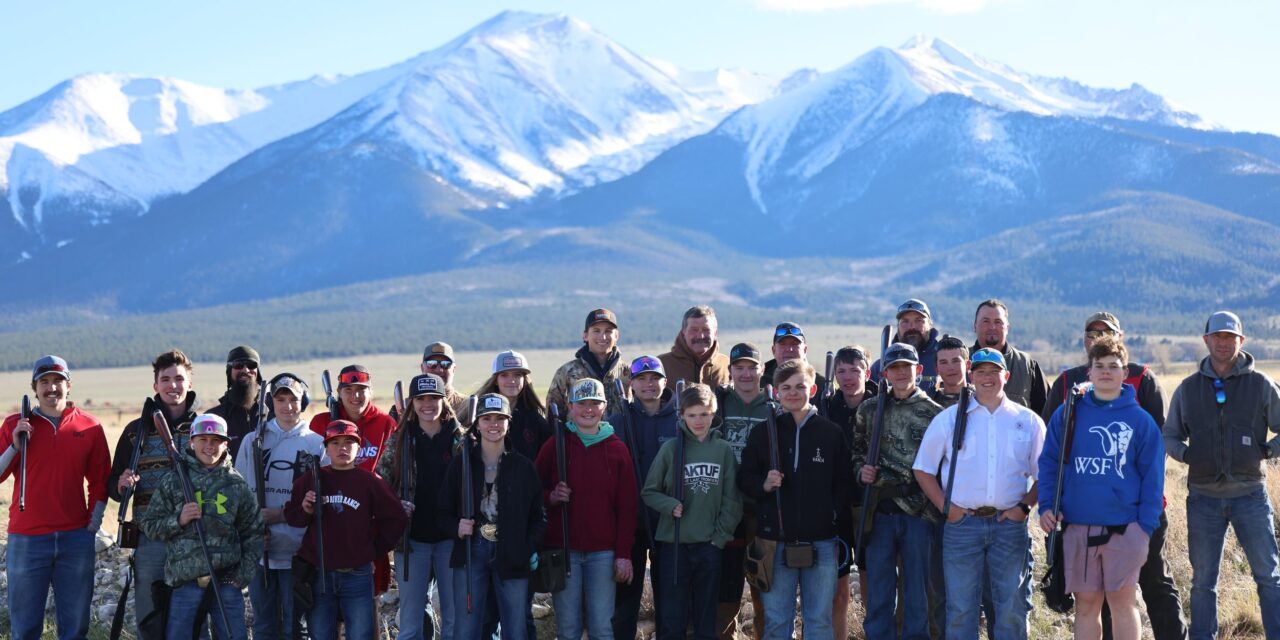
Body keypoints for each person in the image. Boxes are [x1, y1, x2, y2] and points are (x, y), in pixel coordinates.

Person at [1041, 312, 1185, 640]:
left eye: (1113, 366)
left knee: (1135, 596)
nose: (1106, 371)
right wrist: (1048, 505)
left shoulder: (1141, 407)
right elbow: (1051, 459)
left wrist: (1144, 525)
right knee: (1088, 605)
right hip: (1079, 523)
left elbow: (1154, 470)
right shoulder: (1069, 404)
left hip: (1130, 522)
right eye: (1099, 366)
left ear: (1125, 371)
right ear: (1089, 369)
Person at [912, 348, 1045, 640]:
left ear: (1006, 376)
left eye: (994, 372)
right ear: (971, 375)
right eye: (981, 372)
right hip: (962, 527)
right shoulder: (949, 419)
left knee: (1011, 608)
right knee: (960, 610)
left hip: (1009, 527)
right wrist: (947, 509)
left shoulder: (1028, 421)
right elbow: (922, 469)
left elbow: (1045, 475)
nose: (987, 378)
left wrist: (1023, 508)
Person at [1163, 311, 1280, 640]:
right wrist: (1186, 455)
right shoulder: (1188, 389)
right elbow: (1170, 434)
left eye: (1230, 337)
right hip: (1203, 499)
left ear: (1241, 341)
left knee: (1269, 576)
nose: (1223, 342)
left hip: (1250, 496)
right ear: (1206, 341)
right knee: (1203, 583)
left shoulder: (1261, 385)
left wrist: (1268, 452)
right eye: (1218, 337)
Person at [738, 359, 850, 640]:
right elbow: (744, 478)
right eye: (785, 387)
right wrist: (763, 484)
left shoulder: (831, 433)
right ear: (775, 392)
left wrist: (833, 521)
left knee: (819, 621)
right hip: (775, 542)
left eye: (800, 386)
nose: (793, 393)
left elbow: (844, 485)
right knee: (776, 623)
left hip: (823, 542)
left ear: (812, 388)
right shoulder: (763, 432)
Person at [1, 355, 111, 640]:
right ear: (34, 387)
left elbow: (100, 480)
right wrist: (14, 445)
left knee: (75, 629)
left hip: (75, 539)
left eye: (58, 381)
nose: (52, 388)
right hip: (26, 539)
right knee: (24, 629)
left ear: (69, 385)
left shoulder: (89, 426)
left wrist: (92, 524)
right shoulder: (15, 424)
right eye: (45, 382)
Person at [139, 413, 264, 640]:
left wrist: (242, 576)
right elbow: (149, 525)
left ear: (225, 443)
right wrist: (179, 520)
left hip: (227, 581)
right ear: (191, 442)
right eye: (203, 440)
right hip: (185, 582)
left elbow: (254, 533)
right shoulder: (174, 480)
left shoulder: (236, 484)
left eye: (215, 440)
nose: (209, 446)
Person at [284, 420, 410, 640]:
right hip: (319, 573)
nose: (342, 448)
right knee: (321, 633)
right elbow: (293, 517)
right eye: (335, 443)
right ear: (326, 448)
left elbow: (396, 517)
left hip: (357, 574)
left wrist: (373, 550)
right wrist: (305, 509)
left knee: (360, 634)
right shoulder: (312, 478)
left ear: (358, 447)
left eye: (349, 443)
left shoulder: (370, 481)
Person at [108, 348, 203, 638]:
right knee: (150, 617)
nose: (173, 385)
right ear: (155, 386)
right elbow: (112, 486)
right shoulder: (135, 432)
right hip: (149, 538)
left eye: (179, 378)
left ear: (189, 383)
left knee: (194, 619)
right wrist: (123, 484)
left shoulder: (204, 428)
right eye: (166, 379)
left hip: (194, 538)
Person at [852, 343, 943, 640]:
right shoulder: (869, 409)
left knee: (916, 591)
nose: (901, 373)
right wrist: (860, 471)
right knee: (879, 592)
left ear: (919, 370)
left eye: (907, 366)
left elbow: (944, 467)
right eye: (895, 368)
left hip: (919, 514)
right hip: (879, 512)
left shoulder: (935, 414)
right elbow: (857, 452)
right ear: (885, 373)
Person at [535, 378, 638, 640]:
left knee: (602, 628)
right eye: (582, 403)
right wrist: (552, 496)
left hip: (603, 554)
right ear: (570, 406)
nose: (588, 409)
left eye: (595, 403)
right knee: (568, 629)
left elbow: (627, 507)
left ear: (604, 407)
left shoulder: (617, 449)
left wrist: (623, 554)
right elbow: (533, 492)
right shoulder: (555, 444)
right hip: (564, 550)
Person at [441, 393, 547, 640]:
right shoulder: (462, 464)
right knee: (466, 630)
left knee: (516, 630)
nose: (493, 425)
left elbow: (539, 516)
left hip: (512, 553)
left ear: (509, 422)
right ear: (477, 424)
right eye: (487, 418)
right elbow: (442, 512)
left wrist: (525, 548)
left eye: (500, 418)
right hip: (471, 550)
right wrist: (456, 527)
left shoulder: (523, 466)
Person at [643, 383, 743, 640]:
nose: (698, 421)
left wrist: (719, 538)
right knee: (673, 618)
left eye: (704, 414)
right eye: (692, 415)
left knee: (706, 618)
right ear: (682, 416)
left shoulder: (722, 451)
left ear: (714, 414)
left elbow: (732, 501)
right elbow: (649, 492)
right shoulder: (671, 449)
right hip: (674, 546)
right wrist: (669, 505)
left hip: (709, 545)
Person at [233, 373, 326, 640]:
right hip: (260, 552)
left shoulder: (316, 444)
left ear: (303, 401)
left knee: (293, 626)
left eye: (294, 399)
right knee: (263, 625)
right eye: (280, 399)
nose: (287, 406)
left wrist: (282, 515)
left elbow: (321, 500)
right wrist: (252, 529)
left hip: (298, 552)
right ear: (270, 402)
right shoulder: (253, 441)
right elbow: (239, 491)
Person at [377, 373, 461, 640]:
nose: (428, 404)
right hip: (412, 542)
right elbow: (379, 486)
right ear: (412, 403)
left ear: (443, 400)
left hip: (451, 540)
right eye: (421, 398)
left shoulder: (460, 440)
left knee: (454, 621)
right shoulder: (400, 440)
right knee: (411, 623)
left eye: (434, 398)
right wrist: (395, 506)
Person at [607, 355, 680, 640]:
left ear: (665, 382)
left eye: (655, 378)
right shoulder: (617, 421)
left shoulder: (681, 419)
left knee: (670, 602)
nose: (649, 384)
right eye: (642, 379)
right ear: (632, 385)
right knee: (624, 603)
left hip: (669, 522)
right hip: (630, 525)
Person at [713, 343, 771, 640]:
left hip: (763, 509)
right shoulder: (719, 404)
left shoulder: (773, 406)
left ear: (762, 370)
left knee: (764, 591)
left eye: (752, 367)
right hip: (728, 510)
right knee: (727, 593)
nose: (746, 374)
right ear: (730, 370)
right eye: (739, 368)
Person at [822, 345, 876, 630]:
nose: (847, 377)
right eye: (840, 371)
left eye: (854, 370)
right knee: (837, 590)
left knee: (871, 584)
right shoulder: (826, 407)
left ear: (866, 372)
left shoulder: (882, 404)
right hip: (838, 508)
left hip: (872, 505)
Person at [308, 364, 396, 472]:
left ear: (370, 392)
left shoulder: (386, 423)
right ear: (339, 393)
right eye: (348, 389)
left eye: (361, 389)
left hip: (373, 488)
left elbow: (393, 469)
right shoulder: (320, 423)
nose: (356, 395)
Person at [546, 309, 630, 416]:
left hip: (619, 433)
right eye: (596, 331)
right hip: (576, 433)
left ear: (616, 336)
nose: (603, 337)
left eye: (608, 331)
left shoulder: (628, 372)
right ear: (585, 335)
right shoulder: (566, 372)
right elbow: (552, 413)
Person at [972, 299, 1047, 415]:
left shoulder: (1027, 365)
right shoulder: (959, 362)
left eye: (998, 322)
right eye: (986, 321)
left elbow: (1046, 412)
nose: (992, 327)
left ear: (1007, 327)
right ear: (975, 326)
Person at [475, 350, 551, 460]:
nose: (512, 380)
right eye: (504, 375)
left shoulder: (536, 421)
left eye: (517, 375)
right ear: (496, 380)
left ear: (524, 380)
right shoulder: (477, 415)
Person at [208, 345, 266, 459]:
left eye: (251, 365)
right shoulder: (214, 418)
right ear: (229, 372)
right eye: (238, 365)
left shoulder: (274, 411)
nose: (245, 370)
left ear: (257, 372)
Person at [870, 299, 944, 389]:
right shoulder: (880, 367)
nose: (912, 327)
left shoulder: (945, 361)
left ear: (930, 325)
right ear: (898, 327)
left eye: (918, 321)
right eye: (905, 321)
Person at [659, 305, 731, 386]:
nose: (700, 336)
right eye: (694, 330)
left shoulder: (727, 366)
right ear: (683, 332)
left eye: (706, 330)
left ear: (715, 333)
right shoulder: (661, 366)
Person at [759, 322, 827, 402]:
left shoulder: (822, 385)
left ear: (805, 350)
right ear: (774, 350)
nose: (789, 349)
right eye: (783, 344)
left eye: (794, 344)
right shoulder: (760, 381)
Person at [422, 341, 469, 416]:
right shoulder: (409, 407)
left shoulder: (468, 406)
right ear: (422, 368)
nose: (439, 370)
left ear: (454, 369)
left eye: (445, 364)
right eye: (431, 364)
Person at [928, 335, 972, 408]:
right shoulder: (928, 404)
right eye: (944, 362)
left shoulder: (981, 399)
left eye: (956, 361)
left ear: (968, 365)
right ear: (937, 369)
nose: (950, 367)